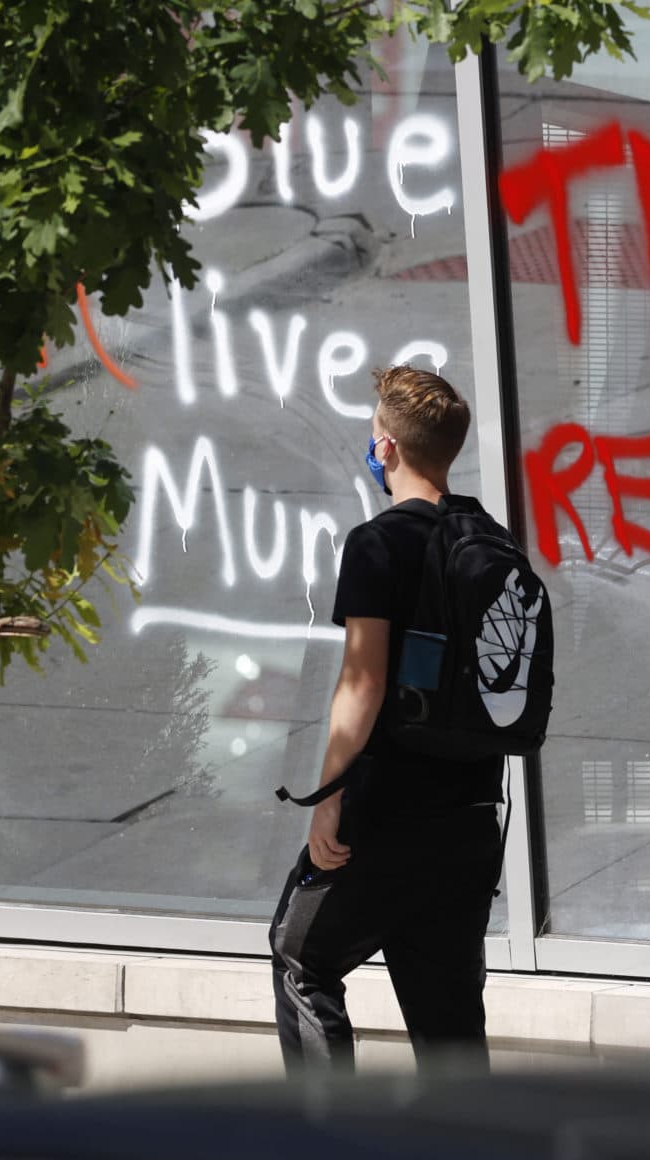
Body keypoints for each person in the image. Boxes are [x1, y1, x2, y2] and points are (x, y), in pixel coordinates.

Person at [269, 366, 505, 1074]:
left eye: (375, 434)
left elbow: (362, 682)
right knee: (450, 1026)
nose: (370, 446)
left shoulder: (379, 544)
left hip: (388, 817)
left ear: (391, 450)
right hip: (470, 820)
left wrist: (326, 800)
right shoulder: (492, 542)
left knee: (298, 958)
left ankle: (332, 1159)